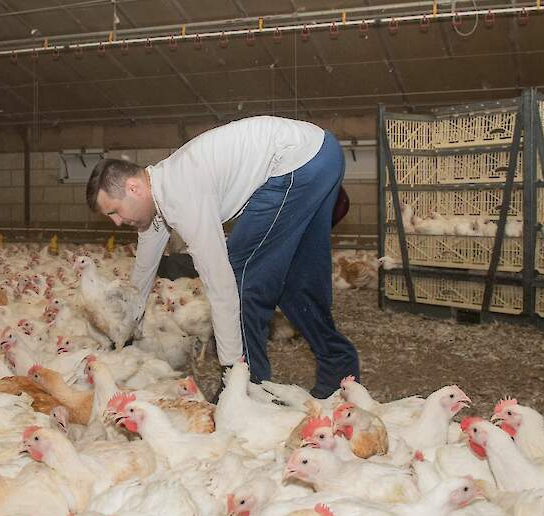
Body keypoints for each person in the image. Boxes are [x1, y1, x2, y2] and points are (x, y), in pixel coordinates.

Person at [85, 116, 359, 399]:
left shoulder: (182, 195)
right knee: (296, 277)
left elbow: (221, 284)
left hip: (295, 164)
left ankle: (245, 388)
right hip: (322, 152)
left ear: (133, 188)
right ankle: (340, 376)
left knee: (241, 274)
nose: (117, 223)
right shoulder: (158, 192)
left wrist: (231, 370)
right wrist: (127, 328)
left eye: (114, 212)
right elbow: (143, 270)